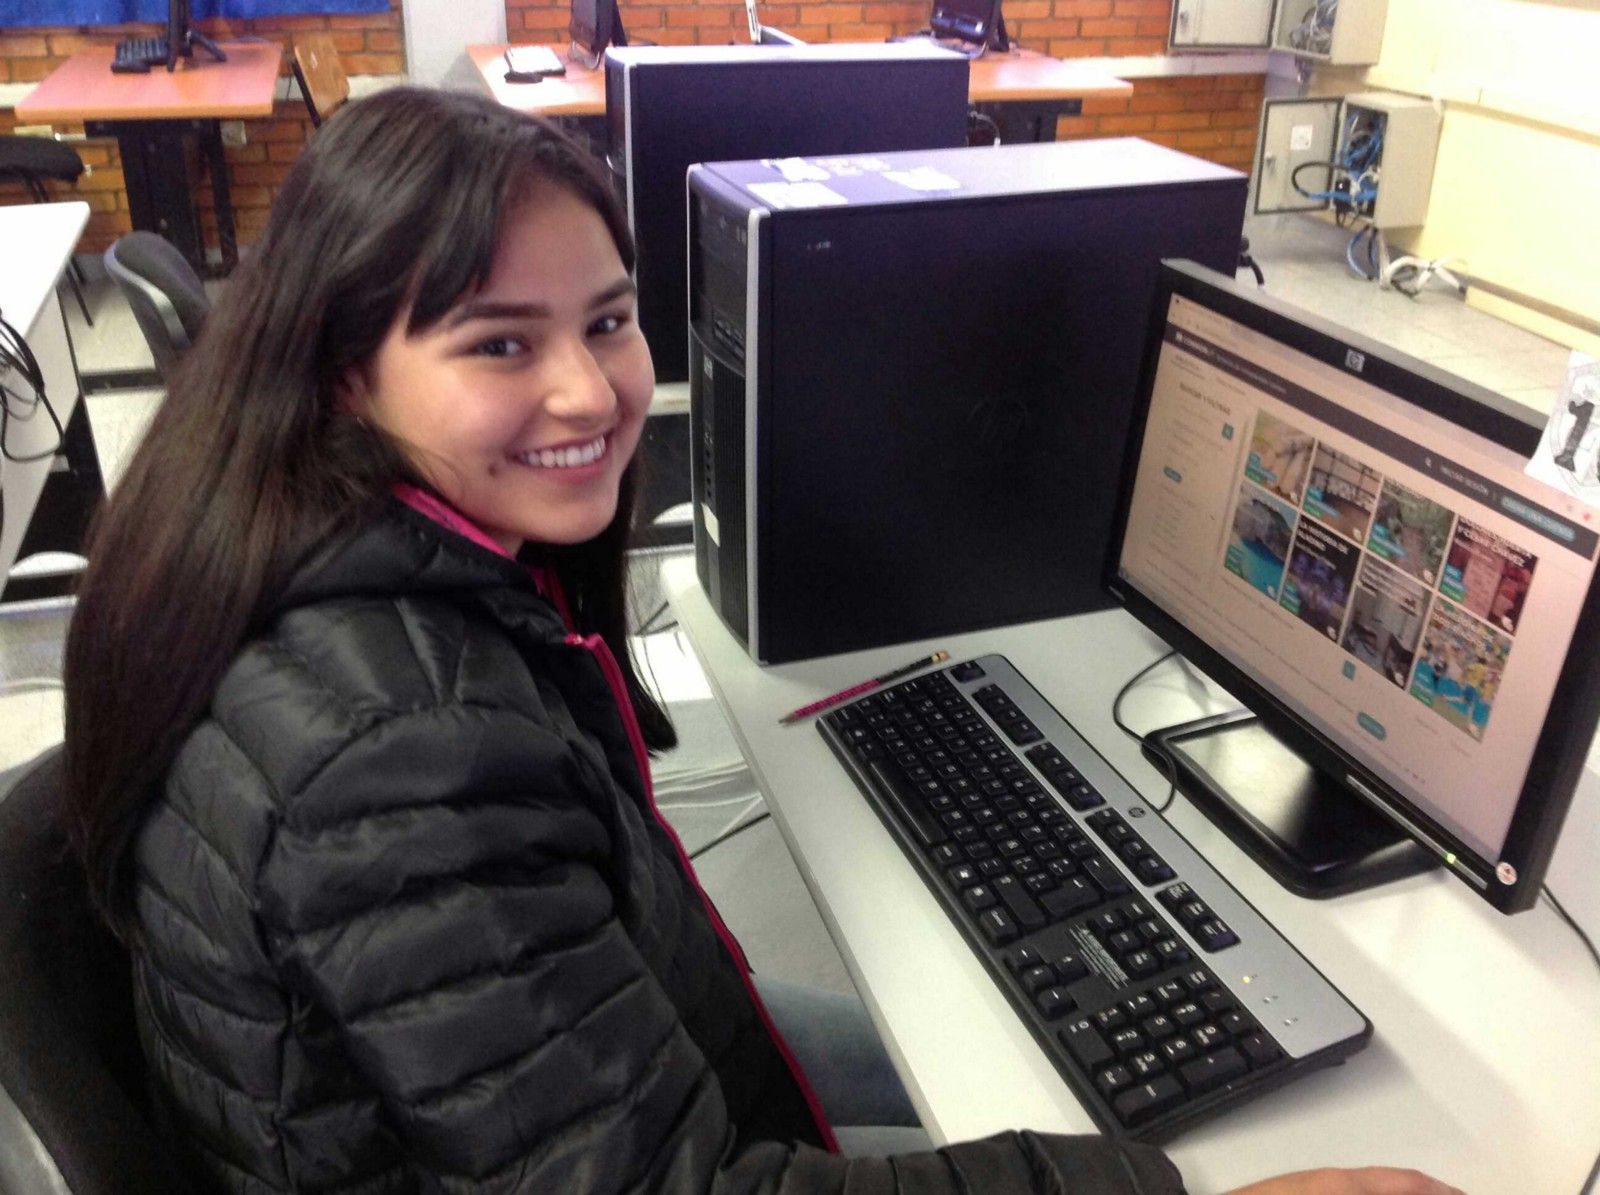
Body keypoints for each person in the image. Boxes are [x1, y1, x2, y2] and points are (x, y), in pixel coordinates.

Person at [61, 87, 1461, 1195]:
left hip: (498, 1109)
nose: (587, 389)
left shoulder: (307, 550)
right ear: (345, 368)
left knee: (969, 1054)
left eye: (607, 321)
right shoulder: (399, 756)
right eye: (498, 343)